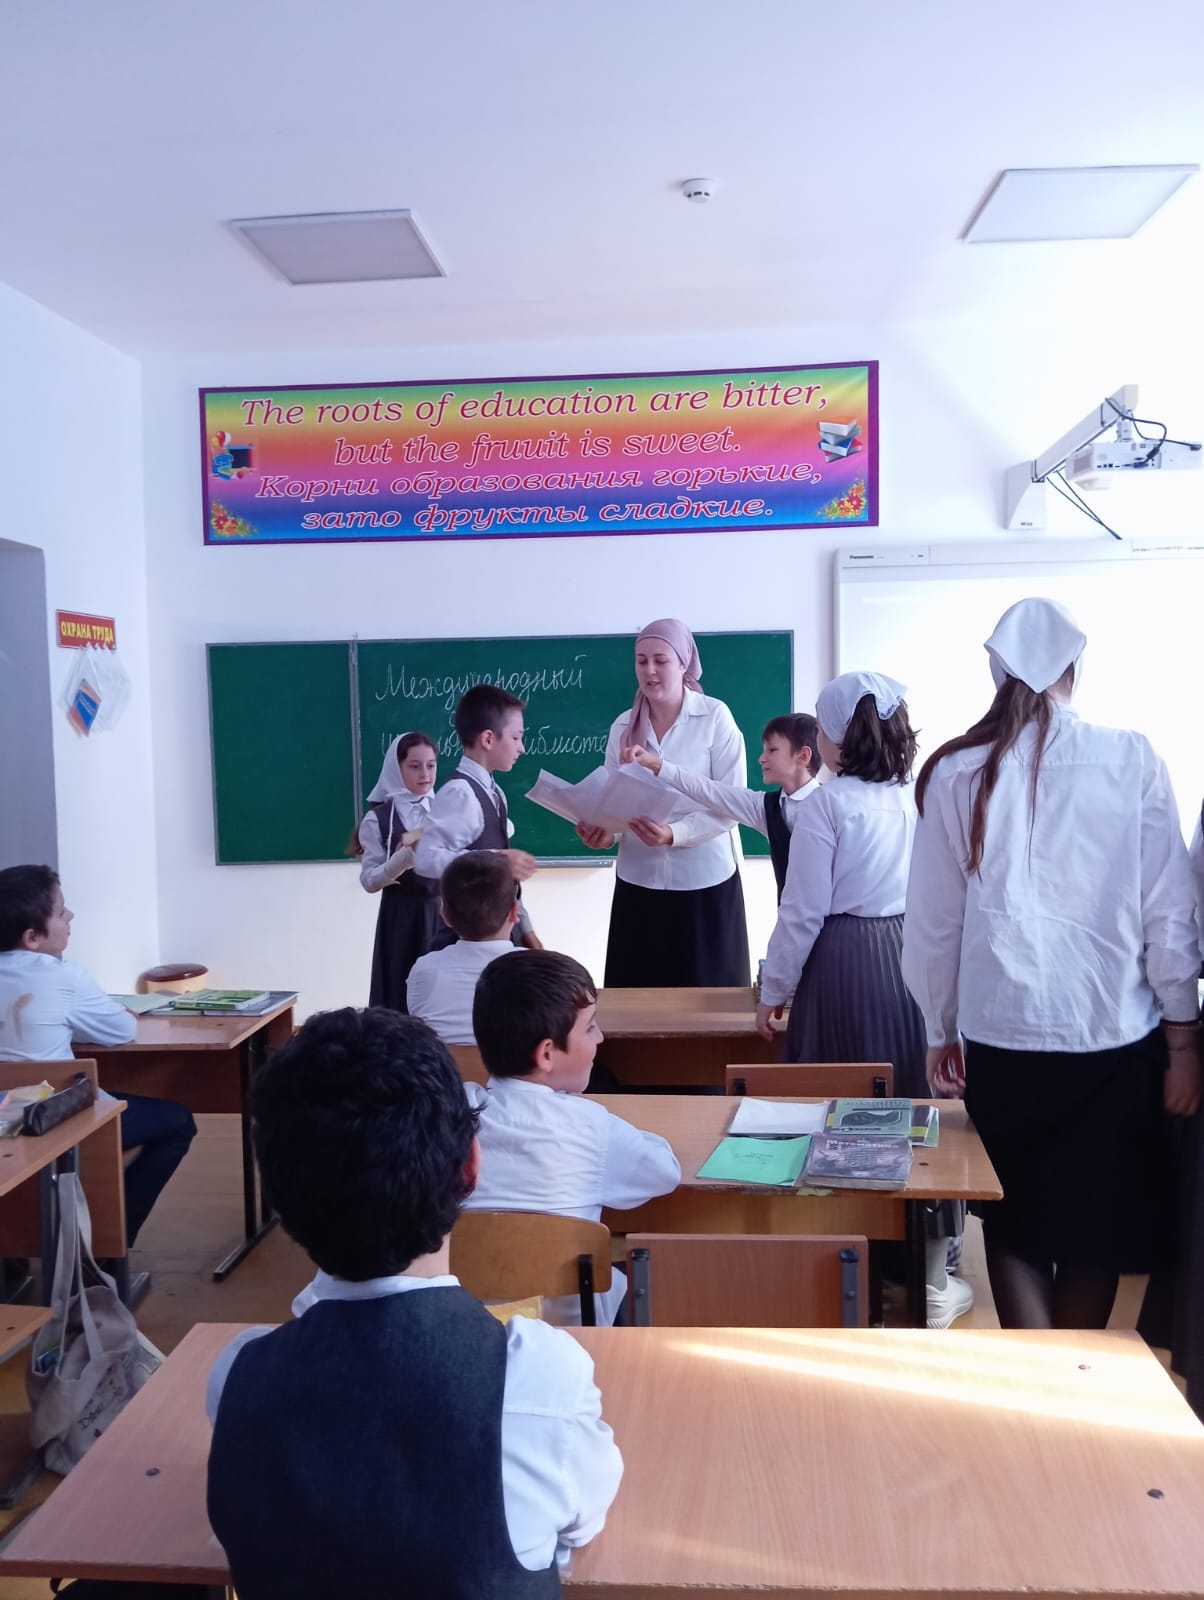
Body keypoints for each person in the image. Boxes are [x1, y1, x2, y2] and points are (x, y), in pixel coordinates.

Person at [207, 1007, 621, 1596]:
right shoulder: (540, 1381)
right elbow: (582, 1521)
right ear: (471, 1167)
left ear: (277, 1192)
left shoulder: (237, 1379)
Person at [902, 598, 1201, 1331]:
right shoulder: (1131, 758)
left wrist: (940, 1029)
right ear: (1075, 669)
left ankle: (1032, 1373)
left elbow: (935, 926)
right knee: (1096, 1227)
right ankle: (1067, 1372)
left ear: (996, 672)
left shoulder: (955, 772)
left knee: (1016, 1219)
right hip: (1112, 1036)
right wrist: (1184, 1035)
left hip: (1003, 1039)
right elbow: (1169, 914)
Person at [753, 673, 969, 1328]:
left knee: (836, 1111)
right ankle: (929, 1274)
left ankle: (845, 1264)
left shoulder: (827, 806)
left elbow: (802, 911)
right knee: (911, 1107)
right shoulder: (916, 796)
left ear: (838, 738)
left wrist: (774, 990)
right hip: (908, 955)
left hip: (843, 963)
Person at [468, 950, 681, 1325]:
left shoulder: (453, 1114)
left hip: (467, 1326)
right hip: (572, 1336)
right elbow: (665, 1172)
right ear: (547, 1053)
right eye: (589, 1027)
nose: (600, 1037)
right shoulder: (591, 1125)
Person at [0, 865, 196, 1246]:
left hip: (3, 1121)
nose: (71, 916)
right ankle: (108, 1242)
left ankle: (14, 1259)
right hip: (50, 1123)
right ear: (32, 937)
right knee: (177, 1123)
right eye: (61, 912)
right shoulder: (64, 977)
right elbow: (122, 1031)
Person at [576, 619, 751, 987]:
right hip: (639, 882)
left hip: (704, 882)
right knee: (637, 999)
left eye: (660, 660)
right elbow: (612, 800)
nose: (649, 671)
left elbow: (731, 804)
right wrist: (605, 834)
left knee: (708, 1001)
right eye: (641, 661)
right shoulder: (622, 726)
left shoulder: (715, 717)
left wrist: (674, 833)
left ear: (684, 663)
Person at [624, 711, 822, 902]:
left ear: (803, 756)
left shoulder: (831, 805)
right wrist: (658, 765)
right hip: (792, 918)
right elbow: (708, 790)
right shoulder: (766, 808)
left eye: (772, 750)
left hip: (832, 920)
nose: (762, 758)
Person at [414, 684, 543, 950]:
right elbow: (426, 859)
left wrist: (526, 929)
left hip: (498, 937)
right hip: (464, 942)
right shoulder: (460, 793)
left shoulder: (495, 792)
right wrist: (495, 859)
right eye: (516, 737)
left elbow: (505, 881)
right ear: (488, 739)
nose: (522, 748)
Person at [357, 730, 441, 1012]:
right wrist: (404, 857)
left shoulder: (447, 810)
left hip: (445, 916)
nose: (425, 774)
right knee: (399, 1000)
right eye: (414, 766)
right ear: (397, 768)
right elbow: (369, 881)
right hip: (401, 920)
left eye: (431, 765)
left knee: (439, 1000)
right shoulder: (377, 819)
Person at [407, 852, 521, 1045]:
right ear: (515, 911)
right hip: (513, 1065)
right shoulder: (542, 971)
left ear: (444, 915)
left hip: (446, 1065)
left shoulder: (424, 970)